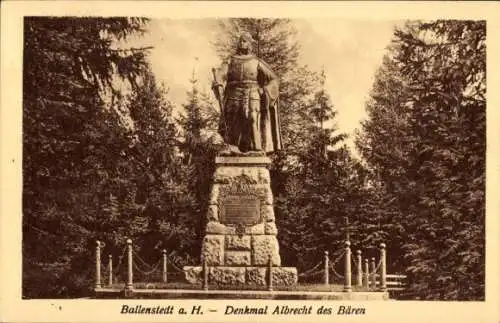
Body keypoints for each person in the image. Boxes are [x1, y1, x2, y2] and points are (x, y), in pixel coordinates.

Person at [212, 32, 282, 153]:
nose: (241, 43)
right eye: (240, 41)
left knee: (252, 118)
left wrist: (264, 90)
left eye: (244, 41)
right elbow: (221, 74)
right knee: (231, 120)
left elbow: (274, 79)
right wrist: (218, 83)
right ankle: (231, 146)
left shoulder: (256, 62)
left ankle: (256, 148)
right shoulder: (230, 61)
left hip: (252, 93)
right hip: (234, 93)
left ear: (249, 44)